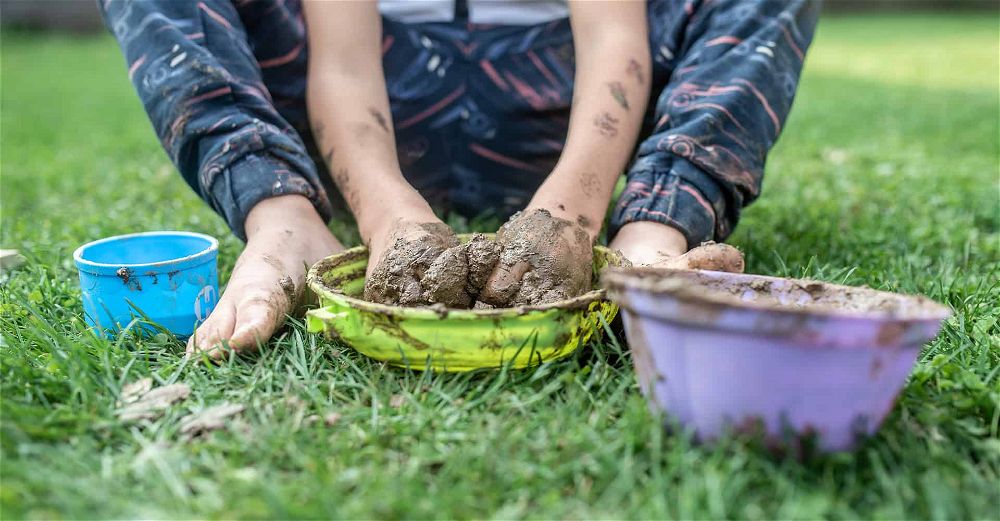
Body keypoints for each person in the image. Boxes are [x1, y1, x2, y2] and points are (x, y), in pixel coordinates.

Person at [99, 0, 818, 357]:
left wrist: (569, 216)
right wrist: (387, 217)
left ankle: (649, 239)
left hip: (555, 91)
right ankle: (286, 219)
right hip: (382, 86)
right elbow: (342, 63)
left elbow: (613, 35)